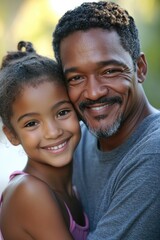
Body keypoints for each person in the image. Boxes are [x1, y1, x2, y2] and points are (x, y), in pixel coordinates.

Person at [52, 1, 160, 239]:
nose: (93, 92)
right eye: (76, 78)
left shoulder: (154, 152)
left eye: (109, 71)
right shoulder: (77, 140)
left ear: (139, 68)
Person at [0, 41, 89, 240]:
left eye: (62, 112)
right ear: (12, 135)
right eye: (32, 123)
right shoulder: (29, 193)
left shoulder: (72, 189)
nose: (52, 132)